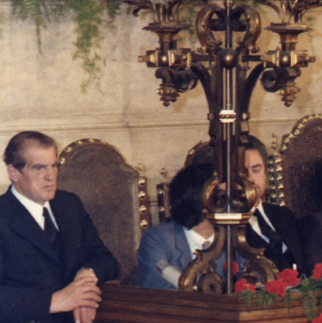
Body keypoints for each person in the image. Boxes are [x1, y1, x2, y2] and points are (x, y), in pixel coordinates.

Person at [0, 131, 118, 323]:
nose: (50, 176)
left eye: (54, 166)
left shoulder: (69, 204)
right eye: (39, 168)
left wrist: (86, 277)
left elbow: (107, 261)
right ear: (13, 172)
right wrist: (57, 301)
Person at [136, 163, 241, 289]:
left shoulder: (235, 236)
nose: (234, 202)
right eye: (223, 196)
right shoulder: (157, 240)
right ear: (204, 204)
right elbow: (160, 296)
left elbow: (252, 286)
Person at [243, 135, 304, 272]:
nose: (251, 178)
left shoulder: (282, 214)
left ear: (265, 173)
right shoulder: (228, 225)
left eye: (256, 170)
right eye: (243, 172)